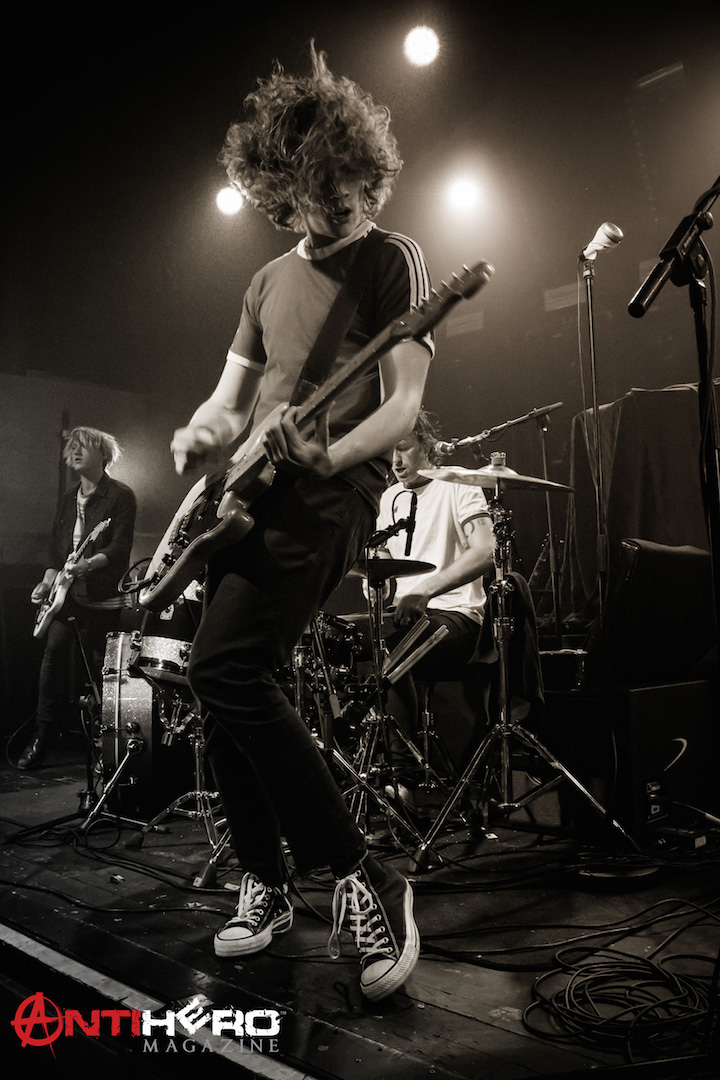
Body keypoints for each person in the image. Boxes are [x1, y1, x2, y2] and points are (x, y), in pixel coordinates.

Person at [167, 45, 433, 1001]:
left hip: (333, 491)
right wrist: (203, 432)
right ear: (284, 188)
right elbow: (231, 400)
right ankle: (269, 883)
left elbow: (404, 407)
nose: (346, 203)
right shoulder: (264, 282)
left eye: (357, 185)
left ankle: (368, 877)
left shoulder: (394, 259)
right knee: (227, 688)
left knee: (226, 667)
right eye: (324, 192)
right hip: (246, 499)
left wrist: (333, 453)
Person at [366, 410, 496, 796]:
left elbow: (485, 551)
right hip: (405, 617)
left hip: (457, 616)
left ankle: (401, 778)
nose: (395, 461)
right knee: (346, 645)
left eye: (403, 448)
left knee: (391, 654)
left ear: (426, 443)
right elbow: (383, 563)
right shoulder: (388, 498)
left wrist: (427, 590)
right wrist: (376, 584)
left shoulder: (458, 484)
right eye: (388, 452)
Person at [19, 427, 137, 770]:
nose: (75, 451)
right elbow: (56, 552)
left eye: (83, 446)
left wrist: (88, 564)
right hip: (67, 595)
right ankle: (43, 735)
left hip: (101, 598)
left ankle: (105, 746)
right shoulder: (67, 498)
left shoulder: (120, 496)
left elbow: (119, 548)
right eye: (72, 446)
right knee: (52, 657)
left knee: (100, 670)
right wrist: (46, 583)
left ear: (103, 454)